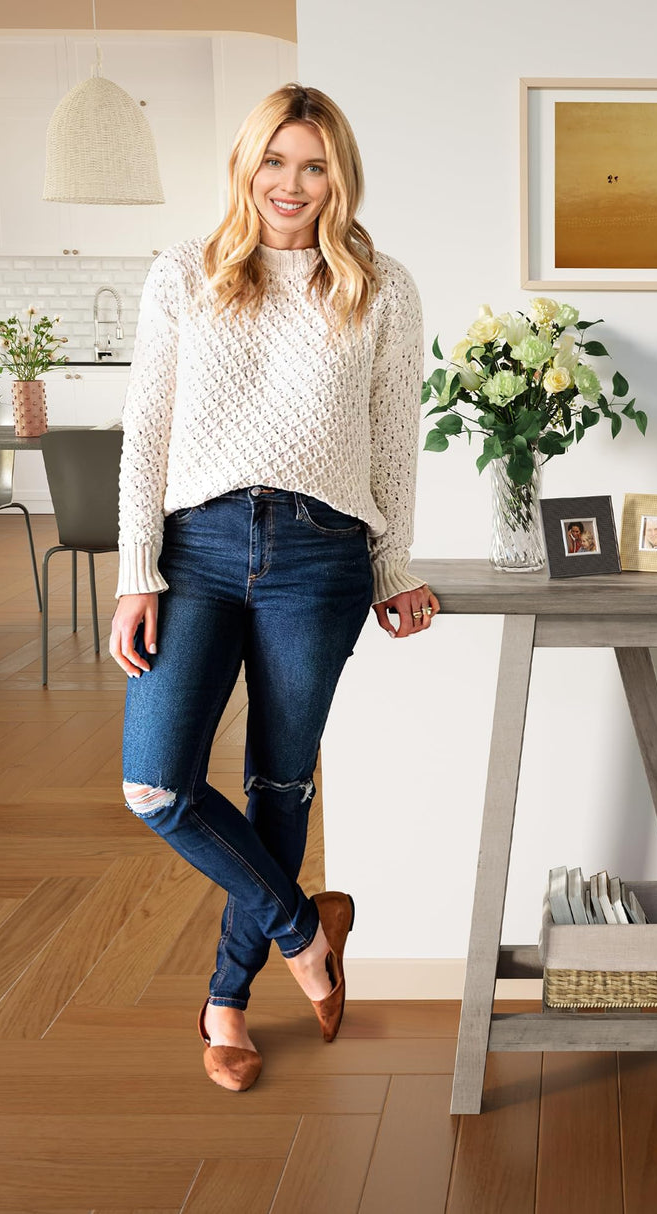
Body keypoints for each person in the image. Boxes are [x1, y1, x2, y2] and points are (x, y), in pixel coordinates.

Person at [109, 83, 439, 1093]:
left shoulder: (381, 287)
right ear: (246, 165)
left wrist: (393, 564)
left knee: (279, 784)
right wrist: (135, 571)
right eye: (275, 161)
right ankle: (305, 930)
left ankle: (227, 1001)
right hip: (195, 549)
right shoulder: (185, 272)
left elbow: (394, 439)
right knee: (156, 784)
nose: (291, 184)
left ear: (339, 177)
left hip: (321, 553)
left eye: (314, 166)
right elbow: (146, 429)